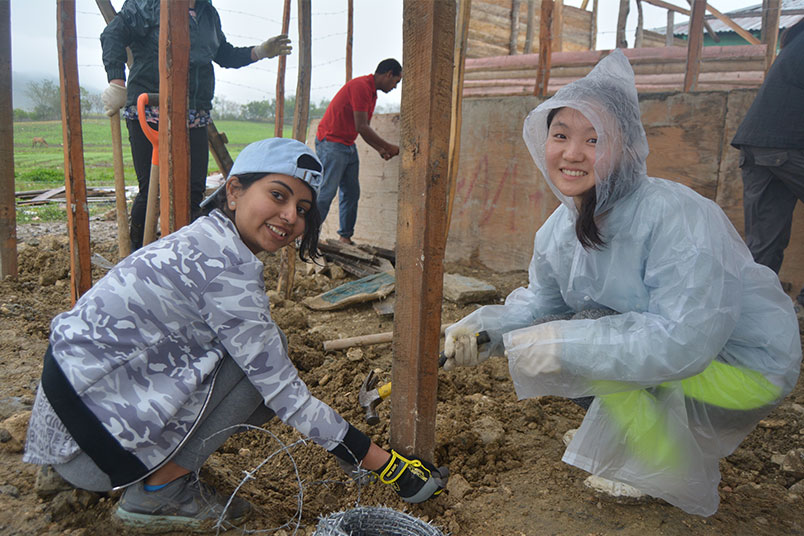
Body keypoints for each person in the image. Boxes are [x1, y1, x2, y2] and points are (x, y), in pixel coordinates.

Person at [441, 50, 801, 517]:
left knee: (588, 329)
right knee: (577, 327)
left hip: (743, 369)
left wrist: (563, 341)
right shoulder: (558, 230)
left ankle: (655, 464)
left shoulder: (675, 216)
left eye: (594, 139)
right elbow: (540, 307)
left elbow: (684, 342)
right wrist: (486, 332)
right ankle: (627, 431)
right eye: (561, 135)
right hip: (689, 363)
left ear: (627, 147)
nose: (572, 153)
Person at [23, 138, 446, 533]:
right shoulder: (226, 270)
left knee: (252, 352)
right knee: (259, 374)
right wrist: (390, 467)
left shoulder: (203, 238)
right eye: (278, 196)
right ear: (234, 191)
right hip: (88, 449)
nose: (290, 217)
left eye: (302, 209)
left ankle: (107, 470)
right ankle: (159, 492)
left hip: (59, 422)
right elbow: (287, 397)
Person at [100, 0, 293, 251]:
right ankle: (137, 251)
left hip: (194, 114)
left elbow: (223, 54)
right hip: (151, 108)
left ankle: (186, 252)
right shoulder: (147, 4)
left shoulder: (206, 13)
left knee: (193, 191)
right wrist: (117, 81)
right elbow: (113, 34)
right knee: (152, 191)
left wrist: (259, 51)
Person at [731, 17, 804, 312]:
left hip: (755, 144)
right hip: (788, 142)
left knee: (763, 246)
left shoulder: (794, 42)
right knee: (764, 244)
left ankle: (751, 318)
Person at [315, 58, 403, 244]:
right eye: (396, 81)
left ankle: (345, 238)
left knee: (351, 192)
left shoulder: (372, 93)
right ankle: (307, 237)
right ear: (388, 74)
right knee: (326, 193)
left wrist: (380, 149)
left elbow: (363, 127)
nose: (395, 87)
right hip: (331, 142)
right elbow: (362, 126)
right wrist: (388, 147)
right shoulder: (361, 87)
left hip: (347, 144)